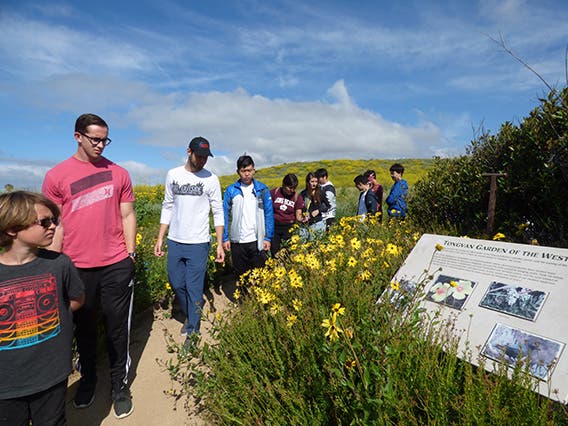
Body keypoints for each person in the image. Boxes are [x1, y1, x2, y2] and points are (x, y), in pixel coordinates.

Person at [42, 113, 137, 418]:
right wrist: (55, 265)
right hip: (75, 267)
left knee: (116, 329)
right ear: (77, 137)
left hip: (115, 264)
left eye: (104, 140)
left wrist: (130, 256)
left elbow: (127, 216)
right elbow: (54, 226)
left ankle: (119, 384)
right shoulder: (56, 176)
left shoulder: (119, 173)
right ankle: (88, 380)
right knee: (82, 329)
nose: (100, 145)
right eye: (95, 139)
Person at [0, 191, 85, 425]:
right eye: (44, 222)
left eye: (54, 221)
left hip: (51, 374)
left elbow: (76, 300)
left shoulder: (59, 264)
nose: (53, 227)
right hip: (6, 385)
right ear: (11, 228)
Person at [154, 137, 225, 348]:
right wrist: (160, 237)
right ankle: (191, 313)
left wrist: (220, 242)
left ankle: (193, 331)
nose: (203, 160)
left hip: (199, 242)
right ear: (188, 152)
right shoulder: (173, 175)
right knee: (176, 283)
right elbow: (167, 206)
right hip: (175, 240)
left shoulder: (211, 179)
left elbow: (218, 211)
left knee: (194, 288)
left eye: (205, 157)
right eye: (199, 156)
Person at [222, 155, 274, 278]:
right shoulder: (231, 190)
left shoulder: (262, 189)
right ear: (238, 172)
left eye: (249, 170)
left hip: (257, 240)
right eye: (243, 171)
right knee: (241, 276)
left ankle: (256, 298)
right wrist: (225, 238)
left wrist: (268, 237)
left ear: (254, 170)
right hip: (237, 241)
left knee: (259, 275)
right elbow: (224, 214)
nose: (247, 174)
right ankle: (244, 297)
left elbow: (269, 214)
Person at [270, 174, 307, 257]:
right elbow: (267, 210)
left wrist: (304, 218)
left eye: (294, 188)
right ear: (284, 184)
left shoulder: (297, 197)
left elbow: (298, 215)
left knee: (287, 252)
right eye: (290, 187)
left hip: (288, 228)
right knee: (274, 251)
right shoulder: (274, 193)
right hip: (274, 227)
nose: (292, 190)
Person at [300, 172, 329, 240]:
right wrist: (303, 216)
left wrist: (318, 211)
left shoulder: (321, 192)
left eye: (316, 181)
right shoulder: (303, 194)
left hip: (317, 223)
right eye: (312, 181)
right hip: (305, 224)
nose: (314, 184)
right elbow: (300, 207)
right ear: (308, 182)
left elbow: (327, 206)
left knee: (315, 246)